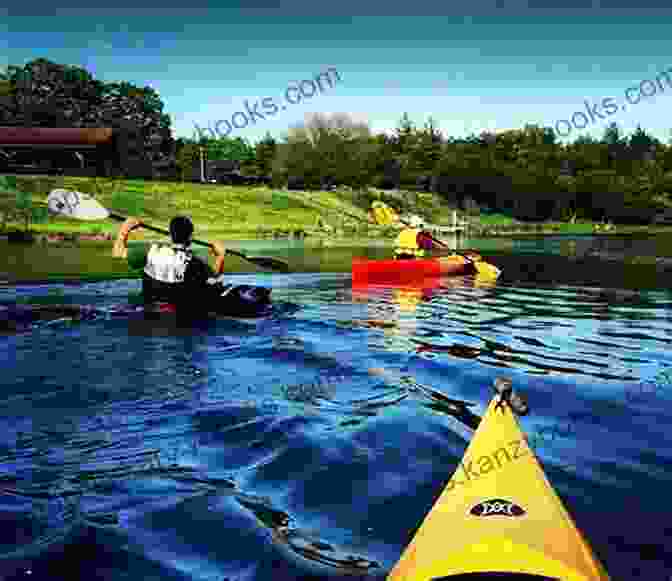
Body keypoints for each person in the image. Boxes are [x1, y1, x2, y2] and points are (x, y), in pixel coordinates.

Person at [112, 215, 228, 321]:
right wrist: (220, 256)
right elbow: (216, 286)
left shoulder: (150, 252)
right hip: (178, 316)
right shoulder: (196, 264)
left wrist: (125, 228)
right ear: (191, 237)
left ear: (171, 235)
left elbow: (117, 252)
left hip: (145, 311)